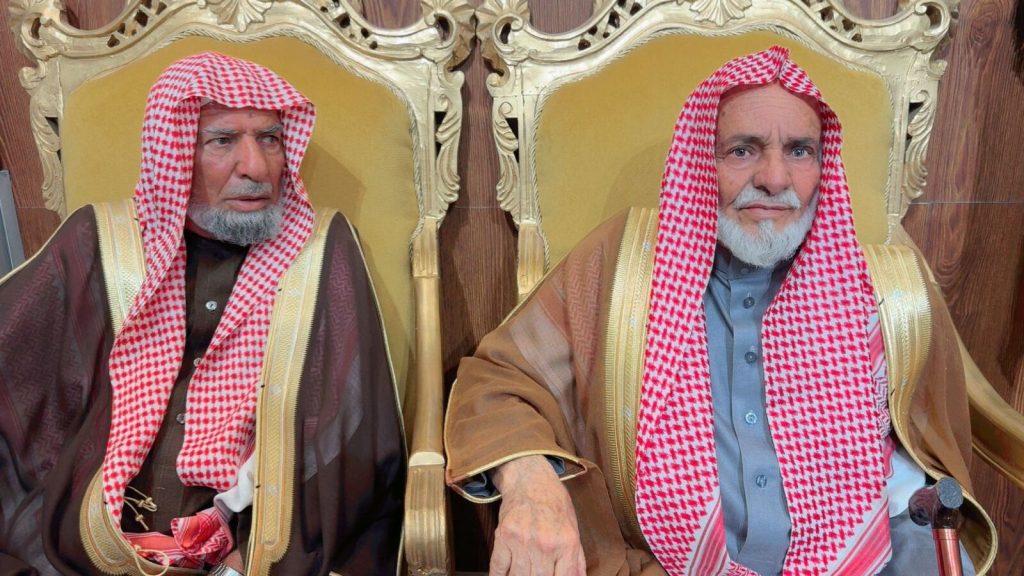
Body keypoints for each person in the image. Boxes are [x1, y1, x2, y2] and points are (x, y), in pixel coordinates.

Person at [444, 46, 995, 575]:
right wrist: (529, 480)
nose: (774, 179)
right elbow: (500, 382)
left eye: (799, 151)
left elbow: (928, 455)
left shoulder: (883, 295)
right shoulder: (624, 267)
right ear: (700, 163)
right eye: (743, 150)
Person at [0, 52, 405, 575]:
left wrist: (243, 557)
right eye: (222, 141)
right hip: (90, 540)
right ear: (173, 153)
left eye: (270, 139)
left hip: (252, 548)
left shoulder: (319, 250)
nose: (255, 167)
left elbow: (351, 429)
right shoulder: (101, 242)